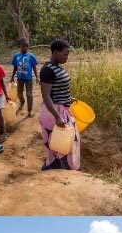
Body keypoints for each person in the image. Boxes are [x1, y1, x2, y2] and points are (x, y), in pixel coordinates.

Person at [39, 38, 80, 171]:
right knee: (64, 142)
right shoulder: (47, 70)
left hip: (61, 109)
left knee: (62, 141)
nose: (67, 57)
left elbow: (57, 88)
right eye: (65, 54)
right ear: (56, 52)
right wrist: (57, 117)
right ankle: (64, 170)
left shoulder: (57, 67)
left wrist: (68, 97)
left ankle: (58, 167)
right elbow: (46, 96)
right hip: (53, 112)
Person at [10, 38, 39, 118]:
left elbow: (34, 67)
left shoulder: (31, 56)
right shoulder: (16, 56)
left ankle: (29, 111)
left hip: (29, 78)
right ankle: (22, 101)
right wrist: (12, 77)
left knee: (29, 94)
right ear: (20, 46)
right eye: (23, 46)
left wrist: (37, 77)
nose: (25, 48)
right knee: (19, 92)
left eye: (27, 46)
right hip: (20, 78)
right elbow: (15, 67)